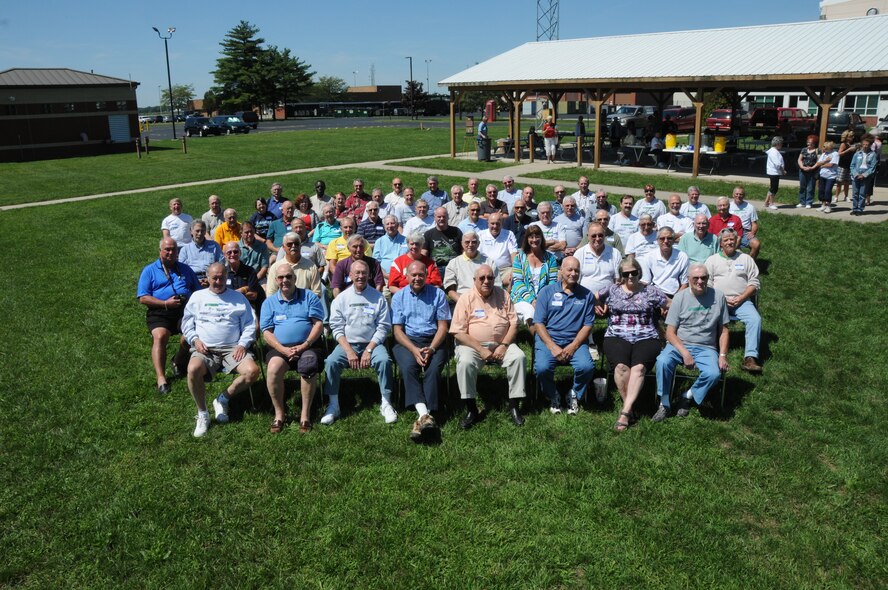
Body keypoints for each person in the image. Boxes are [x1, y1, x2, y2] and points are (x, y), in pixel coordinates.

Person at [181, 263, 260, 438]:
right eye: (214, 278)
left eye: (222, 277)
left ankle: (223, 398)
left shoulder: (239, 298)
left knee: (252, 371)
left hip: (233, 348)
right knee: (193, 369)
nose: (218, 281)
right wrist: (195, 340)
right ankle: (203, 414)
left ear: (227, 278)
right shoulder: (197, 297)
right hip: (205, 348)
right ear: (207, 278)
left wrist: (243, 344)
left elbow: (250, 324)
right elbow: (186, 323)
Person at [320, 259, 397, 426]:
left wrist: (369, 350)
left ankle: (386, 403)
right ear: (350, 275)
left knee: (384, 361)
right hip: (348, 344)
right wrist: (348, 351)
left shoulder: (378, 298)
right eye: (357, 273)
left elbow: (384, 327)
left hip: (373, 344)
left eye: (364, 273)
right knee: (332, 362)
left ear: (369, 275)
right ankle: (333, 405)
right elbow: (336, 327)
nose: (361, 276)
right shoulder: (341, 298)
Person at [596, 256, 667, 431]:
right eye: (625, 274)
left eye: (633, 273)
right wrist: (597, 305)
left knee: (638, 369)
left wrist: (668, 310)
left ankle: (625, 412)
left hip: (647, 335)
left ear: (639, 272)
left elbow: (670, 303)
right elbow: (592, 297)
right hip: (617, 335)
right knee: (621, 368)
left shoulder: (651, 291)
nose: (630, 277)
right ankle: (632, 407)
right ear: (621, 275)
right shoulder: (612, 290)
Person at [651, 263, 729, 422]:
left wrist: (722, 355)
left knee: (713, 374)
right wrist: (685, 353)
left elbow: (724, 330)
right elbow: (670, 333)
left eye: (703, 278)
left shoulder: (719, 296)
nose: (700, 281)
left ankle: (687, 396)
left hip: (706, 346)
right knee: (662, 362)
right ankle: (664, 404)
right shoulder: (680, 297)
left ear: (708, 278)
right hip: (680, 343)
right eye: (696, 278)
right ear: (688, 279)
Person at [451, 265, 526, 428]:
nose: (486, 281)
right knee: (464, 363)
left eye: (490, 278)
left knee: (519, 357)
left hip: (502, 343)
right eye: (482, 278)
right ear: (474, 280)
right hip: (472, 345)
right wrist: (480, 349)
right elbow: (457, 332)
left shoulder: (503, 294)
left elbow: (514, 323)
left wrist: (504, 345)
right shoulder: (465, 298)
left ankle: (514, 406)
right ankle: (471, 409)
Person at [260, 264, 325, 434]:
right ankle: (279, 413)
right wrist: (282, 349)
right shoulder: (269, 302)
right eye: (281, 278)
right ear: (276, 280)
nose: (285, 281)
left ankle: (305, 415)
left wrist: (305, 345)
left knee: (309, 364)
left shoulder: (309, 296)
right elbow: (266, 331)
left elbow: (318, 324)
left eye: (288, 276)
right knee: (273, 369)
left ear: (295, 278)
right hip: (279, 347)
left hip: (308, 344)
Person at [391, 261, 451, 442]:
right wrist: (414, 350)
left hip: (434, 340)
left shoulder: (438, 294)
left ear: (427, 276)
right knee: (408, 367)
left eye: (421, 275)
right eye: (413, 275)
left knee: (432, 370)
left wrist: (432, 348)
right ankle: (426, 416)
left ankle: (422, 419)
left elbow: (443, 327)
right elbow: (397, 331)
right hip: (407, 342)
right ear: (407, 276)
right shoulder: (399, 297)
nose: (417, 278)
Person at [533, 256, 596, 415]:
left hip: (574, 341)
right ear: (561, 271)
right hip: (549, 339)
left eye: (577, 270)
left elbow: (588, 325)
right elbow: (539, 323)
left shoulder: (587, 295)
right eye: (570, 269)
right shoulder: (546, 292)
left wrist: (573, 346)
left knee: (586, 367)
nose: (573, 273)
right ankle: (552, 394)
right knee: (542, 368)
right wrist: (552, 346)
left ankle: (574, 393)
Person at [137, 237, 201, 393]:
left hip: (183, 311)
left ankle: (178, 361)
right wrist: (165, 303)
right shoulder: (149, 270)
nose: (171, 253)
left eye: (174, 249)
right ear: (160, 251)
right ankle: (161, 378)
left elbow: (198, 290)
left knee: (189, 337)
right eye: (167, 249)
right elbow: (143, 297)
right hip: (160, 311)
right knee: (160, 336)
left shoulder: (185, 269)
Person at [705, 229, 763, 374]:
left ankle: (750, 357)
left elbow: (754, 283)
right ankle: (708, 352)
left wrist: (742, 297)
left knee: (755, 319)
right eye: (726, 240)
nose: (730, 242)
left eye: (732, 239)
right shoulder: (712, 260)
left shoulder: (746, 259)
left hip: (742, 301)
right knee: (707, 317)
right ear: (721, 243)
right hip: (718, 300)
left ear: (736, 241)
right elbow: (707, 285)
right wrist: (722, 298)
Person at [510, 225, 559, 325]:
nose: (534, 240)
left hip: (545, 297)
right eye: (531, 237)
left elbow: (552, 283)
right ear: (527, 239)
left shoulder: (551, 258)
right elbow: (518, 283)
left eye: (537, 236)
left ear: (542, 238)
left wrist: (541, 300)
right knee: (530, 313)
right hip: (522, 297)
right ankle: (538, 339)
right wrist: (532, 300)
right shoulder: (519, 259)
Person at [443, 231, 500, 302]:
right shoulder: (454, 263)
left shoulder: (489, 262)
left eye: (474, 242)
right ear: (462, 244)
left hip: (487, 300)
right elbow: (450, 291)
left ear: (478, 244)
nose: (470, 245)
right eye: (467, 242)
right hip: (463, 300)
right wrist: (463, 302)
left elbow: (497, 286)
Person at [266, 233, 322, 298]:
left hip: (305, 305)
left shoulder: (311, 266)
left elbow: (317, 293)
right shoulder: (276, 267)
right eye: (289, 244)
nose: (293, 246)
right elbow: (271, 294)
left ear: (300, 246)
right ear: (283, 247)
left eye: (296, 244)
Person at [640, 227, 689, 298]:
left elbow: (685, 284)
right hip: (655, 296)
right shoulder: (649, 257)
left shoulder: (682, 257)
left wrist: (673, 302)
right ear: (657, 240)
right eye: (662, 238)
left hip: (676, 295)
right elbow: (646, 282)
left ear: (673, 240)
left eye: (669, 238)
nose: (666, 241)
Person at [575, 222, 621, 295]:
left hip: (608, 298)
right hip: (585, 298)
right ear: (587, 236)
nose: (597, 239)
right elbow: (575, 280)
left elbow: (618, 280)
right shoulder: (580, 253)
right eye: (593, 236)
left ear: (605, 235)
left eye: (600, 235)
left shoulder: (615, 253)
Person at [478, 213, 518, 289]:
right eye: (492, 223)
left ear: (502, 224)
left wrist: (514, 270)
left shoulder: (509, 234)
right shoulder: (480, 235)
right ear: (488, 223)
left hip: (505, 270)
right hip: (486, 270)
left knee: (515, 277)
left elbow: (514, 254)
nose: (495, 226)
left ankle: (508, 297)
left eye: (497, 224)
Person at [178, 219, 222, 287]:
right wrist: (195, 280)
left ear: (205, 232)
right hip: (192, 280)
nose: (200, 233)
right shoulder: (185, 250)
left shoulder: (214, 246)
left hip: (212, 279)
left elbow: (221, 264)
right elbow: (182, 270)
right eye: (197, 231)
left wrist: (210, 279)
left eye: (202, 231)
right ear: (191, 231)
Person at [372, 215, 409, 282]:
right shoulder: (379, 242)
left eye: (392, 223)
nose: (390, 226)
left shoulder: (406, 241)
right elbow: (376, 262)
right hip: (385, 277)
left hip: (404, 277)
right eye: (387, 224)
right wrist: (386, 275)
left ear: (397, 225)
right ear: (384, 227)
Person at [728, 186, 761, 258]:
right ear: (733, 195)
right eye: (736, 194)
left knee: (756, 244)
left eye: (741, 194)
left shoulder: (750, 207)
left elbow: (754, 223)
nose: (738, 196)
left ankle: (750, 263)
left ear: (744, 196)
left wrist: (752, 232)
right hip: (731, 232)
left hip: (745, 232)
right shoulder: (728, 206)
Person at [850, 134, 878, 215]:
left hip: (866, 176)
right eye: (864, 144)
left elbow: (872, 168)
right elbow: (852, 165)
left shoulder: (873, 155)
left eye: (867, 145)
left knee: (862, 194)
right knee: (855, 193)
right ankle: (854, 208)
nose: (865, 146)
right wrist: (855, 174)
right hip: (856, 175)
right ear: (862, 144)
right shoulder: (857, 153)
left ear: (870, 145)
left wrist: (864, 175)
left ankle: (860, 209)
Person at [763, 136, 785, 210]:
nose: (782, 145)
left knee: (772, 187)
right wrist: (783, 170)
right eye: (781, 144)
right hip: (774, 172)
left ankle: (766, 202)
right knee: (774, 188)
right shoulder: (773, 152)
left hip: (774, 172)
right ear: (778, 144)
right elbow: (777, 163)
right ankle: (771, 203)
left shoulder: (773, 151)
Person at [797, 135, 819, 209]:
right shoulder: (804, 149)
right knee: (802, 186)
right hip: (803, 170)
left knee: (810, 187)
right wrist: (802, 166)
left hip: (812, 171)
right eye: (808, 142)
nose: (808, 144)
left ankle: (809, 202)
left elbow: (819, 161)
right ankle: (802, 202)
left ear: (814, 143)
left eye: (810, 142)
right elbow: (799, 159)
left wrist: (812, 167)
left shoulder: (817, 151)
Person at [834, 130, 857, 204]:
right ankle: (836, 196)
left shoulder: (852, 144)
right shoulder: (843, 144)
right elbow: (839, 153)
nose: (853, 138)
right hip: (842, 165)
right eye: (851, 136)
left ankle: (846, 196)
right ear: (846, 137)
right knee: (839, 182)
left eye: (853, 136)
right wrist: (848, 150)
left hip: (850, 165)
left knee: (847, 182)